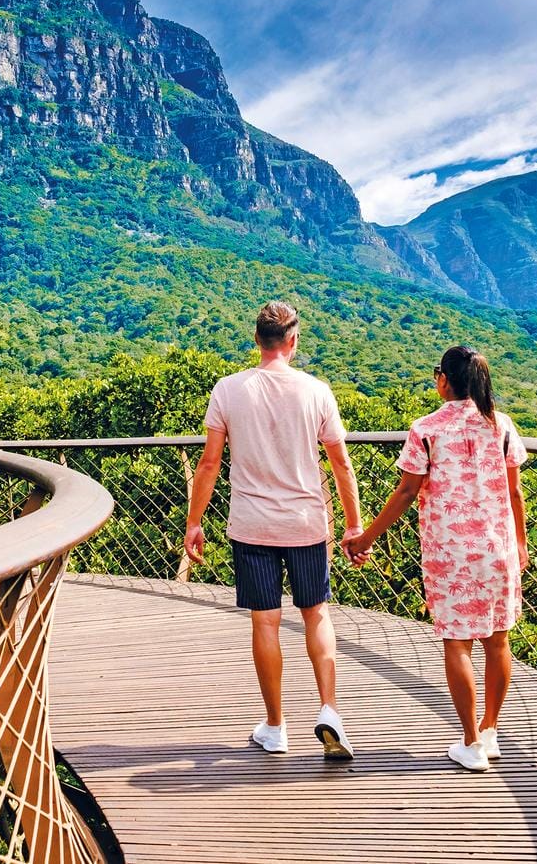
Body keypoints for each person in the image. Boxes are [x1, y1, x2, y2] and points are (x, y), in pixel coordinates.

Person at [185, 301, 365, 759]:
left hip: (252, 525)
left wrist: (194, 521)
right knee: (316, 614)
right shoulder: (316, 391)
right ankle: (329, 709)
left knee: (265, 621)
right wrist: (354, 525)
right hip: (305, 523)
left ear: (257, 340)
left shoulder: (228, 389)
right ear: (293, 340)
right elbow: (341, 463)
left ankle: (275, 726)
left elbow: (209, 462)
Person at [345, 345, 529, 773]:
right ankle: (490, 730)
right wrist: (521, 544)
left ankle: (470, 743)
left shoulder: (426, 429)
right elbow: (515, 491)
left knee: (458, 643)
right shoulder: (501, 425)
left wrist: (365, 538)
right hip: (498, 549)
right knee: (498, 640)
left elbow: (407, 492)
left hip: (450, 553)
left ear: (443, 380)